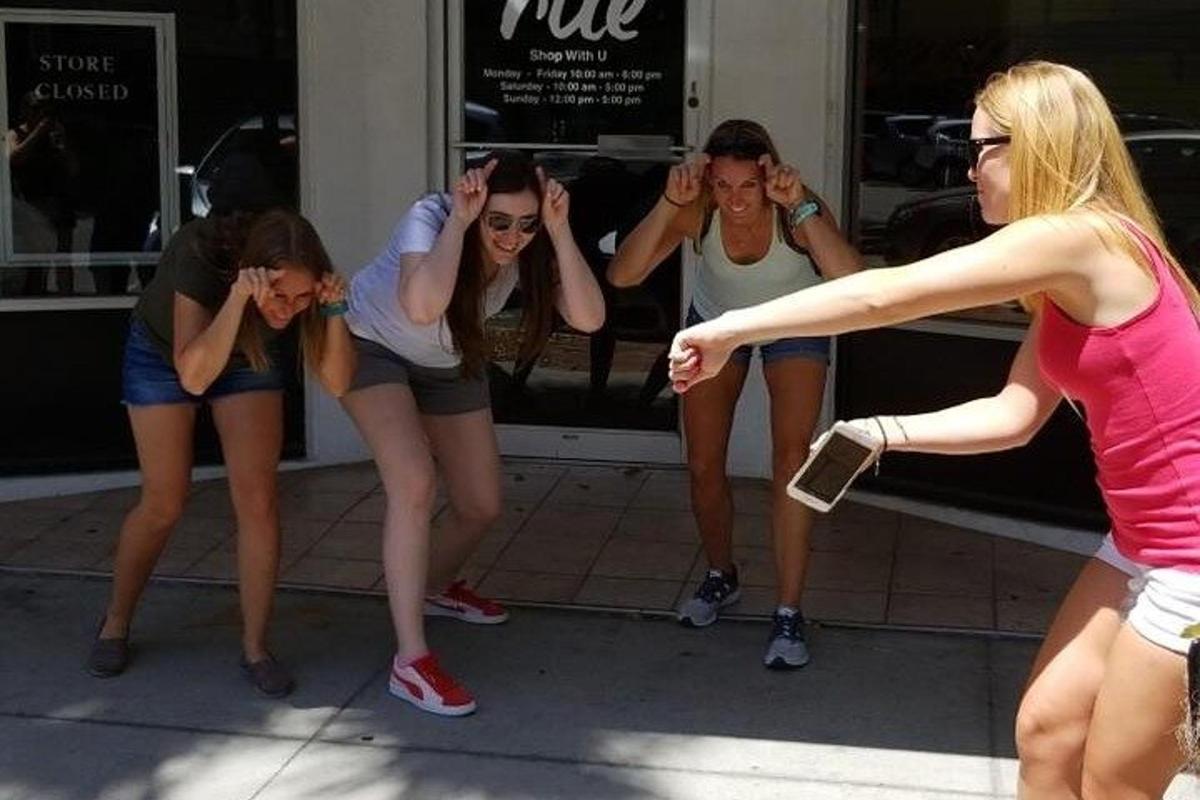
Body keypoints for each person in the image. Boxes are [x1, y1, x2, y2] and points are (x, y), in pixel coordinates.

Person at [670, 62, 1200, 797]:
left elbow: (889, 295)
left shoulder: (1081, 238)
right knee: (1046, 734)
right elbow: (1013, 416)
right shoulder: (1066, 272)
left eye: (983, 147)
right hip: (1137, 544)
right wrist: (882, 431)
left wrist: (730, 328)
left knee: (1115, 782)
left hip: (1189, 565)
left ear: (1037, 145)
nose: (968, 165)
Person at [341, 151, 605, 716]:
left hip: (449, 357)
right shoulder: (431, 216)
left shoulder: (533, 245)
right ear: (476, 205)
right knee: (413, 484)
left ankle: (433, 587)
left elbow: (588, 318)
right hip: (371, 347)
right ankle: (410, 662)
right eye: (500, 221)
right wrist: (460, 223)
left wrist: (558, 232)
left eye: (526, 223)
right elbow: (419, 306)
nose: (513, 237)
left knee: (481, 505)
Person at [607, 119, 863, 669]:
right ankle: (721, 575)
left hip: (796, 323)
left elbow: (850, 278)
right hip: (717, 322)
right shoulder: (695, 206)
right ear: (708, 182)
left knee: (792, 461)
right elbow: (623, 275)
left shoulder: (796, 205)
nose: (735, 199)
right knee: (702, 462)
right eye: (722, 186)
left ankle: (789, 610)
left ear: (768, 175)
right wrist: (664, 205)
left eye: (747, 186)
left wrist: (801, 208)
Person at [87, 208, 356, 698]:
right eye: (278, 295)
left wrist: (333, 310)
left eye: (301, 298)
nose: (287, 309)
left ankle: (255, 648)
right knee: (164, 501)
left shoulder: (301, 292)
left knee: (258, 502)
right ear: (251, 273)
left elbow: (338, 382)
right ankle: (115, 623)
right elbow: (192, 373)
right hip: (167, 354)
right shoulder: (199, 253)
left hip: (250, 359)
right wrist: (238, 298)